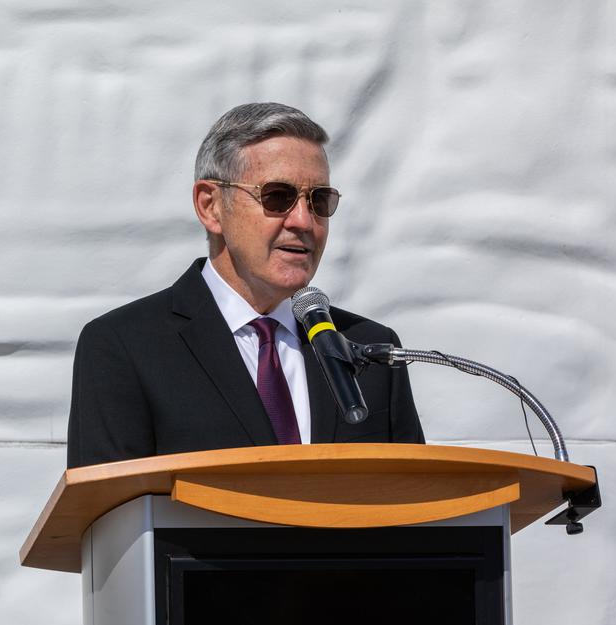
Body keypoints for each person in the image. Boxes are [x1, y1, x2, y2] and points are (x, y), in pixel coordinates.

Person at [66, 102, 424, 468]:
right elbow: (108, 516)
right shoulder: (125, 346)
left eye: (319, 200)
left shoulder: (370, 349)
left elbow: (417, 505)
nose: (303, 220)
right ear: (211, 207)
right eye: (277, 197)